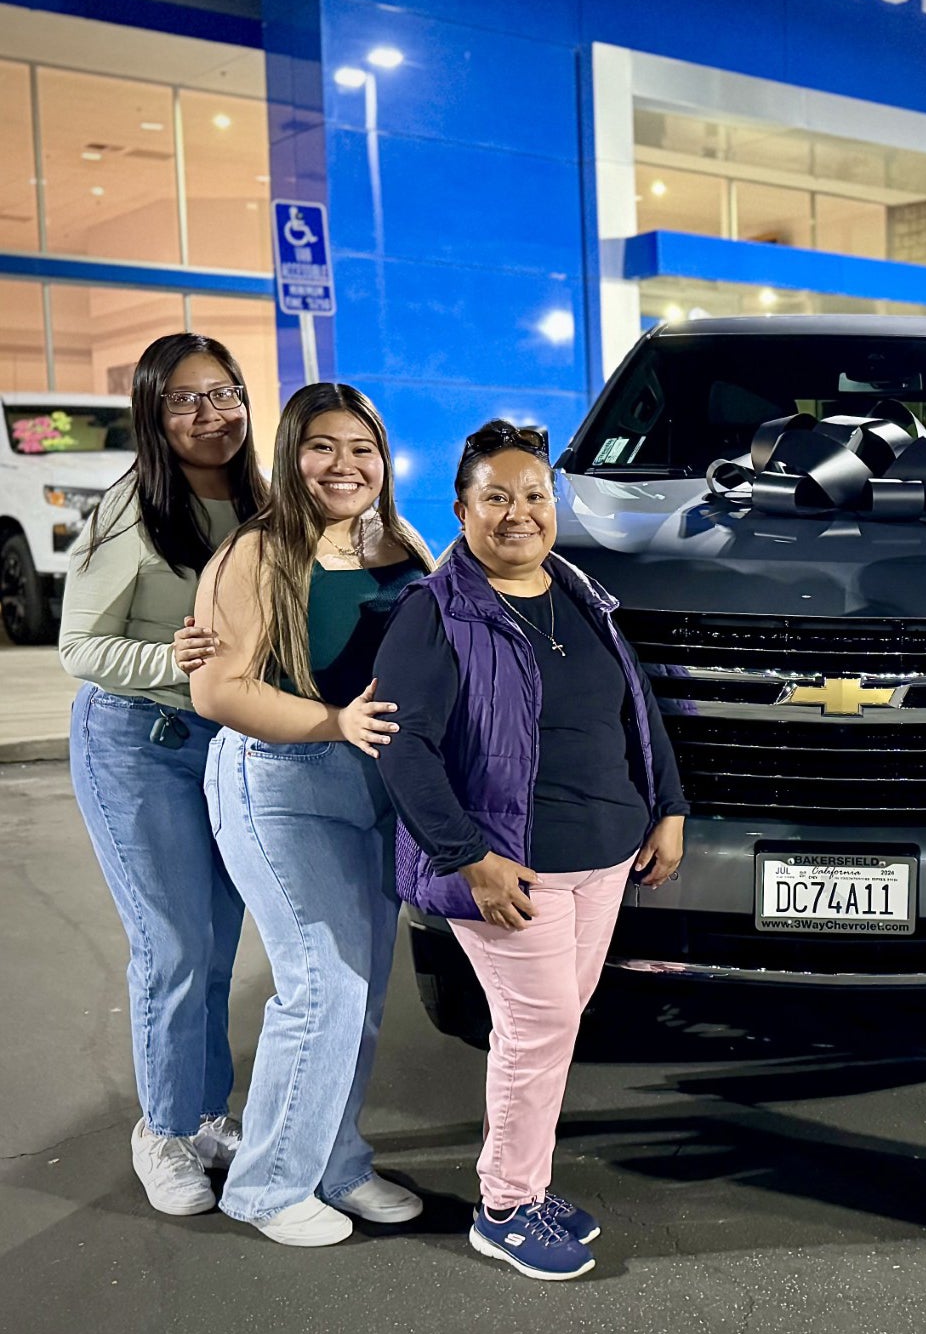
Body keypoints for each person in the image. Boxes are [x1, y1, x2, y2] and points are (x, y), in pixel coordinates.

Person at [375, 419, 687, 1282]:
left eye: (534, 494)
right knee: (537, 1027)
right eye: (496, 497)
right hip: (512, 867)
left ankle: (526, 1186)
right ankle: (507, 1206)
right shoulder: (435, 612)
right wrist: (466, 854)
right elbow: (403, 747)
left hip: (604, 855)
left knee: (550, 1027)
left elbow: (634, 705)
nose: (519, 512)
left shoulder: (579, 591)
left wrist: (667, 804)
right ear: (461, 509)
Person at [189, 382, 431, 1247]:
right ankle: (266, 1184)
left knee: (358, 993)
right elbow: (218, 690)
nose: (344, 464)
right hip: (280, 783)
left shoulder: (399, 541)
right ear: (291, 454)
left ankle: (335, 1162)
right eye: (322, 445)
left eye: (362, 448)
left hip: (376, 788)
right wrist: (333, 723)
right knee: (321, 982)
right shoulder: (256, 552)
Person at [59, 334, 267, 1215]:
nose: (209, 414)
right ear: (153, 412)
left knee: (216, 945)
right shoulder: (131, 509)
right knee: (173, 944)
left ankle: (205, 1113)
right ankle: (165, 1130)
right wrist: (169, 660)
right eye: (184, 399)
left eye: (224, 393)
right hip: (137, 742)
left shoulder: (262, 502)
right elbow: (79, 645)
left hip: (228, 746)